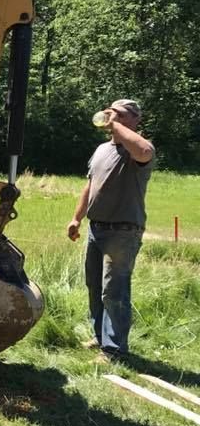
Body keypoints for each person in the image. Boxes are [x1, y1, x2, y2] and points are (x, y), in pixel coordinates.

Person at [67, 99, 155, 362]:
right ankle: (100, 336)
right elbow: (90, 186)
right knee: (94, 285)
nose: (109, 118)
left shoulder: (138, 149)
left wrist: (116, 125)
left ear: (133, 120)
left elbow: (145, 151)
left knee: (114, 290)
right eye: (110, 112)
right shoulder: (102, 150)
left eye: (118, 115)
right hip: (97, 229)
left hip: (123, 231)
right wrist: (76, 218)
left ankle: (114, 349)